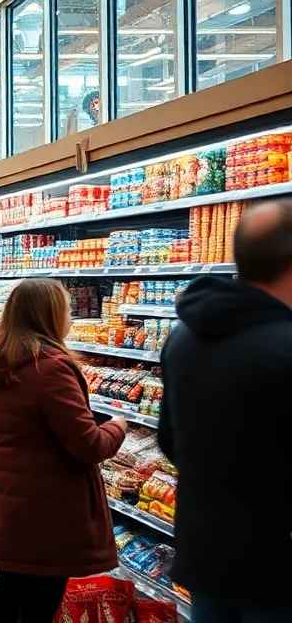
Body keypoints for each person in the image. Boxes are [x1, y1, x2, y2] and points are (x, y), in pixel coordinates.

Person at [0, 278, 126, 623]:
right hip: (43, 508)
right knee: (39, 599)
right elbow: (89, 445)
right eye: (67, 310)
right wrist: (117, 426)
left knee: (10, 590)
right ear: (49, 316)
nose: (71, 317)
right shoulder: (50, 368)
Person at [158, 200, 292, 623]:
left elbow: (169, 439)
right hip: (275, 559)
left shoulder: (184, 336)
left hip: (206, 549)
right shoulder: (284, 345)